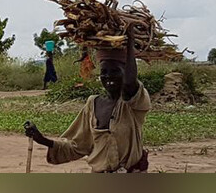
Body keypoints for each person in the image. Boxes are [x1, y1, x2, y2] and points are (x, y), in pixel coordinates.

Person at [24, 34, 151, 173]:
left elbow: (130, 85)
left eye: (115, 71)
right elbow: (78, 147)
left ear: (126, 72)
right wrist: (41, 139)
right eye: (104, 72)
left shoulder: (134, 105)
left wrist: (130, 38)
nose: (108, 76)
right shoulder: (93, 104)